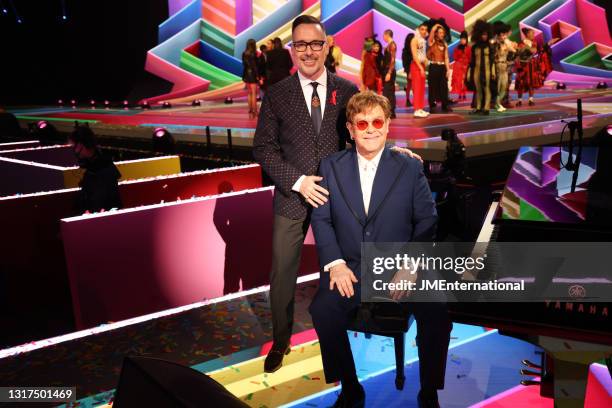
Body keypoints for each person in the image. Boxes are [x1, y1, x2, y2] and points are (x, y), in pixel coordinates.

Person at [253, 15, 420, 376]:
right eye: (301, 45)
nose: (308, 51)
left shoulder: (345, 90)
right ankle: (281, 341)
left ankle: (359, 323)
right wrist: (298, 182)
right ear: (292, 49)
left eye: (315, 43)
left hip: (338, 195)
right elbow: (263, 149)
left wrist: (394, 153)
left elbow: (363, 131)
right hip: (292, 196)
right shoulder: (277, 93)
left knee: (348, 264)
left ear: (326, 46)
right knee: (282, 273)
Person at [309, 91, 451, 408]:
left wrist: (410, 267)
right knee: (322, 309)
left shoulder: (408, 166)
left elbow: (427, 221)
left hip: (403, 264)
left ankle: (429, 392)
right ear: (351, 129)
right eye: (363, 123)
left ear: (387, 126)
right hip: (353, 267)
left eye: (377, 122)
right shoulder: (330, 166)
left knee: (438, 311)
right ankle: (350, 387)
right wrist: (335, 263)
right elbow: (321, 218)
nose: (370, 129)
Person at [69, 124, 122, 214]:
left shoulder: (101, 169)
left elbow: (103, 203)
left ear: (82, 145)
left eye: (74, 146)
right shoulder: (95, 165)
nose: (73, 150)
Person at [515, 27, 554, 106]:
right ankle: (519, 100)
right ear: (527, 34)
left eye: (533, 33)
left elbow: (540, 50)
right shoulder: (521, 44)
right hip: (523, 66)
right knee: (521, 83)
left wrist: (548, 44)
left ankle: (531, 99)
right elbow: (519, 54)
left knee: (531, 83)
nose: (533, 35)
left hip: (531, 66)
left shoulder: (535, 43)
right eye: (532, 33)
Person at [468, 20, 495, 115]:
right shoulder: (474, 47)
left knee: (486, 88)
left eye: (486, 35)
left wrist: (493, 72)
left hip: (487, 70)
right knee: (478, 89)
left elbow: (492, 61)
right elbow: (472, 62)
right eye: (483, 34)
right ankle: (478, 107)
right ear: (478, 35)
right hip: (476, 71)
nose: (484, 36)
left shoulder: (490, 47)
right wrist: (469, 73)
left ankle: (486, 107)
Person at [427, 24, 452, 113]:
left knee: (444, 87)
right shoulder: (432, 41)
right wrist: (436, 25)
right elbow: (431, 34)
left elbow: (446, 58)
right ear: (436, 33)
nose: (441, 34)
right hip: (434, 67)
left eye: (443, 33)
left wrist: (448, 70)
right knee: (432, 86)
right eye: (440, 32)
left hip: (442, 68)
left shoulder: (444, 43)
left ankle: (445, 105)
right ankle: (432, 105)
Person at [493, 23, 516, 112]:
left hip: (505, 66)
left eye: (504, 35)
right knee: (498, 87)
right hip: (498, 66)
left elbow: (513, 50)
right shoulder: (496, 44)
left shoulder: (505, 44)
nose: (503, 36)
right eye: (501, 35)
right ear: (498, 35)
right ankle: (497, 104)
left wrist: (512, 45)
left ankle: (498, 103)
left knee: (504, 86)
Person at [410, 22, 430, 118]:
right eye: (422, 29)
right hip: (416, 65)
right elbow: (414, 56)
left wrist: (426, 61)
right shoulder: (414, 40)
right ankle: (416, 109)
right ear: (418, 29)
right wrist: (420, 67)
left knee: (422, 87)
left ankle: (420, 108)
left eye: (425, 30)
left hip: (421, 64)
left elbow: (422, 54)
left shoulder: (423, 40)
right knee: (417, 87)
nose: (424, 31)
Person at [381, 29, 397, 118]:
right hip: (387, 70)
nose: (383, 37)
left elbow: (393, 60)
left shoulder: (392, 45)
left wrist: (389, 73)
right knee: (387, 91)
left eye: (384, 35)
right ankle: (389, 111)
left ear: (387, 35)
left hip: (389, 71)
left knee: (388, 92)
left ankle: (391, 112)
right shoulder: (389, 45)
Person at [451, 31, 471, 101]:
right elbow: (455, 57)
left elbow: (470, 58)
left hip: (465, 66)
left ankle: (463, 94)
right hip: (458, 66)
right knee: (457, 81)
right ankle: (457, 95)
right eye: (461, 39)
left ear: (466, 39)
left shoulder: (469, 48)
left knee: (464, 81)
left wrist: (466, 65)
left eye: (464, 39)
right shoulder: (457, 48)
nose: (463, 40)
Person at [242, 39, 259, 118]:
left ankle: (250, 111)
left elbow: (244, 65)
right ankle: (255, 112)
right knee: (254, 94)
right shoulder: (254, 53)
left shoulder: (244, 53)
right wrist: (257, 76)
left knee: (249, 94)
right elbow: (254, 66)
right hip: (252, 75)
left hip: (246, 75)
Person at [402, 33, 415, 107]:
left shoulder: (415, 48)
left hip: (414, 69)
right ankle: (408, 100)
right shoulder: (406, 51)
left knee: (412, 85)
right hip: (409, 69)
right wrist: (409, 71)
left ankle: (413, 100)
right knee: (410, 85)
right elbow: (405, 62)